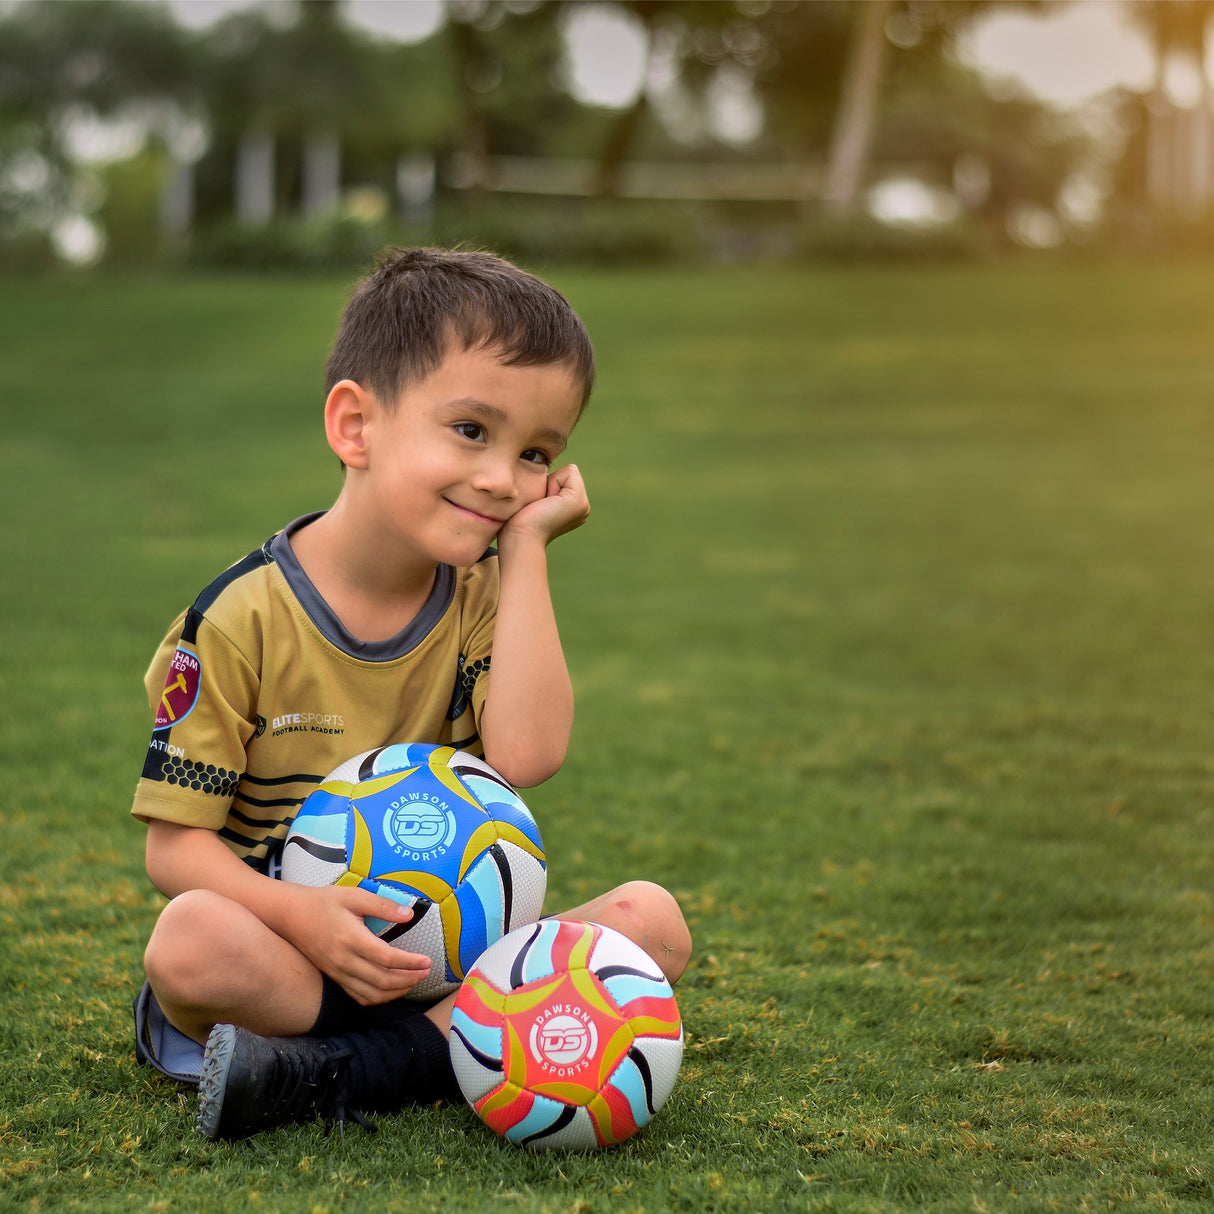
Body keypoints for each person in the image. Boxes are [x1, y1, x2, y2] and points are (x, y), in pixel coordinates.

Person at [130, 247, 692, 1140]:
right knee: (191, 938)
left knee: (650, 924)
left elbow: (527, 757)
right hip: (288, 959)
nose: (504, 478)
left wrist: (528, 553)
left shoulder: (481, 598)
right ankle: (424, 1057)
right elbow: (174, 851)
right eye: (472, 430)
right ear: (356, 425)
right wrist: (302, 917)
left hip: (439, 966)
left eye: (536, 452)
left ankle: (345, 1075)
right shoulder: (237, 621)